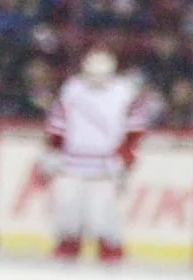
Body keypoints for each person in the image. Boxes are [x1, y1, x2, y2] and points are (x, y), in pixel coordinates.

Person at [39, 48, 149, 265]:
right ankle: (68, 244)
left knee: (102, 213)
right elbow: (57, 125)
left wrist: (125, 158)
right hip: (71, 162)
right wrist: (53, 151)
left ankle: (110, 248)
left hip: (106, 164)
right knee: (67, 207)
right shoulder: (72, 90)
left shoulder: (124, 92)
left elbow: (134, 131)